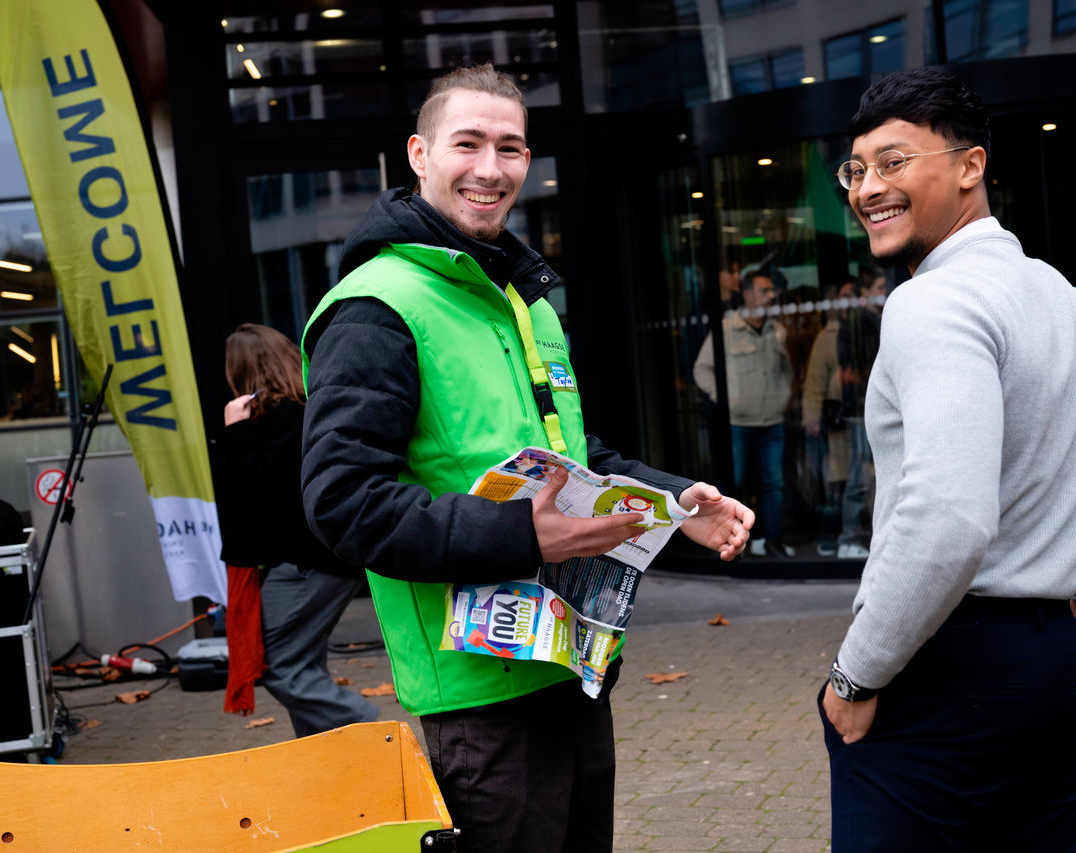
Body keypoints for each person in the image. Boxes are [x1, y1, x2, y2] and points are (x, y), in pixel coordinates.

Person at [299, 63, 753, 853]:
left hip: (570, 662)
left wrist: (679, 503)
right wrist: (524, 536)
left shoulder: (522, 299)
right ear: (419, 154)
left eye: (509, 147)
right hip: (478, 693)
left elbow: (576, 457)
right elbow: (344, 501)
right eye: (467, 143)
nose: (490, 168)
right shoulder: (379, 306)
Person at [819, 68, 1076, 851]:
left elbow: (949, 517)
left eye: (894, 162)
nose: (866, 188)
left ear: (970, 166)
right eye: (856, 171)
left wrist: (857, 673)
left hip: (939, 662)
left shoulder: (932, 301)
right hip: (1050, 668)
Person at [211, 323, 379, 737]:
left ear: (241, 370)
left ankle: (374, 730)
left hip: (306, 565)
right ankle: (328, 759)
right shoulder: (306, 412)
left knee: (281, 667)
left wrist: (234, 431)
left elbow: (257, 489)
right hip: (321, 560)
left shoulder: (279, 418)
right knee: (303, 665)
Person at [694, 267, 795, 558]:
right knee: (731, 485)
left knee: (773, 484)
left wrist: (782, 397)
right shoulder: (725, 329)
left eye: (772, 291)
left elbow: (785, 370)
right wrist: (724, 398)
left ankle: (773, 542)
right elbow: (702, 368)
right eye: (764, 290)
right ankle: (727, 543)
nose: (771, 296)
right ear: (748, 294)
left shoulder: (777, 329)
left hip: (772, 421)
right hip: (738, 421)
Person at [835, 270, 885, 559]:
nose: (885, 291)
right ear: (866, 293)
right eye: (879, 287)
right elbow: (851, 369)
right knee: (858, 476)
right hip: (861, 407)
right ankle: (848, 539)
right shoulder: (860, 321)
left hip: (867, 405)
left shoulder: (874, 318)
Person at [802, 282, 849, 556]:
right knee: (836, 482)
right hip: (836, 420)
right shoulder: (827, 336)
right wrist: (811, 417)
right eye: (844, 296)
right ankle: (830, 534)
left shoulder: (873, 324)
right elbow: (815, 382)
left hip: (864, 416)